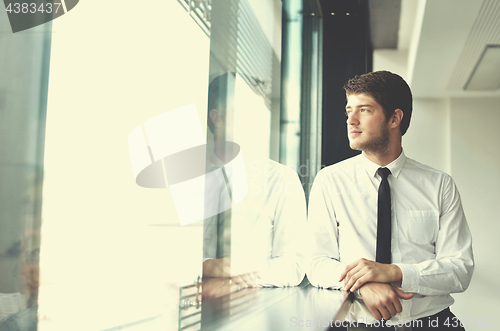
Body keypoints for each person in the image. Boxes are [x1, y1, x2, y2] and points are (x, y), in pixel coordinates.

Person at [306, 71, 473, 330]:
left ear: (395, 118)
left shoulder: (440, 185)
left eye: (364, 110)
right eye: (349, 110)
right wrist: (364, 285)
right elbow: (316, 263)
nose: (351, 120)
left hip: (432, 323)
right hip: (354, 323)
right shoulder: (330, 181)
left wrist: (395, 272)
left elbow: (460, 269)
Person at [202, 73, 306, 290]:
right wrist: (207, 267)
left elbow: (293, 266)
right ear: (217, 118)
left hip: (254, 308)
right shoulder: (189, 179)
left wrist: (237, 269)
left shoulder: (282, 180)